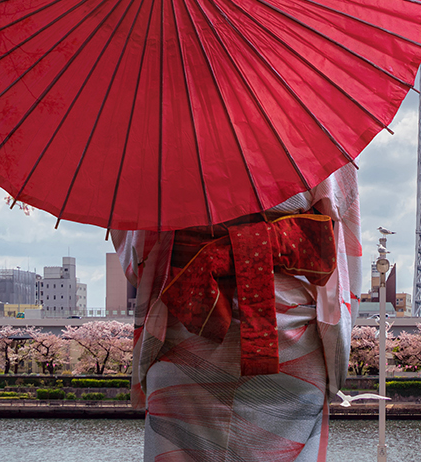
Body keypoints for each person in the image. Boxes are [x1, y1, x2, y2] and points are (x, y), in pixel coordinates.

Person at [114, 165, 361, 461]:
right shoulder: (314, 130)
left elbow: (137, 255)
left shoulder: (159, 138)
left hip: (189, 326)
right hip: (292, 340)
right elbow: (342, 241)